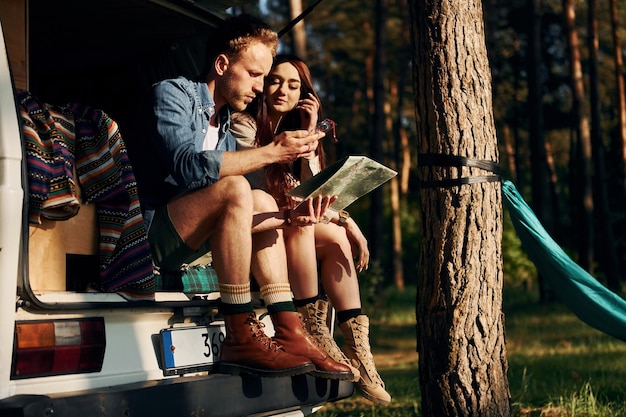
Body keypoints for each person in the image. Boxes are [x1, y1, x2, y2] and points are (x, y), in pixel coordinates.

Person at [133, 15, 353, 381]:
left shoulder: (224, 128)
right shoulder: (171, 93)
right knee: (238, 187)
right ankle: (239, 332)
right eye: (254, 74)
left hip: (193, 238)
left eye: (263, 77)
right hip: (149, 237)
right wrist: (271, 152)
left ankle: (291, 331)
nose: (260, 87)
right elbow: (187, 167)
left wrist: (288, 217)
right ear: (222, 65)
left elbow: (235, 212)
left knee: (264, 202)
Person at [231, 54, 391, 405]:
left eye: (293, 85)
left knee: (333, 235)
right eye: (275, 80)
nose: (282, 90)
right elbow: (281, 202)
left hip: (291, 228)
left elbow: (316, 196)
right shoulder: (243, 126)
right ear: (262, 84)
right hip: (260, 232)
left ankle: (359, 349)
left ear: (304, 94)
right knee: (306, 226)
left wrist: (311, 130)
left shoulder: (300, 134)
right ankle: (314, 328)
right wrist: (342, 220)